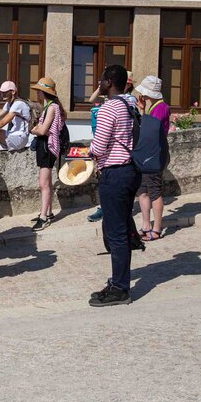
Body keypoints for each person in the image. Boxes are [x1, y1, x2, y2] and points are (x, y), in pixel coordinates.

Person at [87, 65, 141, 307]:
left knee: (116, 233)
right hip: (130, 170)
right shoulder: (129, 104)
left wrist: (88, 152)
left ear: (109, 82)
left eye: (101, 80)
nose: (99, 83)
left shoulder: (109, 107)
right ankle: (118, 281)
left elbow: (99, 145)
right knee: (120, 228)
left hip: (115, 173)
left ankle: (120, 288)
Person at [132, 76, 170, 241]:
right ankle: (146, 225)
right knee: (143, 191)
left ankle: (156, 228)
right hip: (147, 155)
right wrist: (143, 110)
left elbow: (151, 130)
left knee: (154, 192)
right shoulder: (155, 106)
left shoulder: (161, 107)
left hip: (153, 156)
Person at [28, 78, 66, 231]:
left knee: (43, 183)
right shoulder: (51, 106)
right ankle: (48, 212)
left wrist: (33, 130)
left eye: (39, 91)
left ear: (44, 92)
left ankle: (43, 217)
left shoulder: (51, 108)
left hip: (47, 147)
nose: (37, 94)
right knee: (48, 182)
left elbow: (43, 130)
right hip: (46, 147)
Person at [0, 81, 32, 152]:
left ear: (13, 92)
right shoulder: (9, 104)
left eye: (5, 92)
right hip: (13, 135)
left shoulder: (18, 104)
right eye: (1, 92)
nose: (2, 94)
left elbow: (2, 123)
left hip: (20, 138)